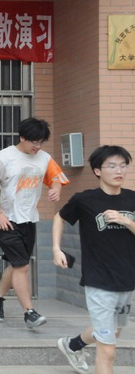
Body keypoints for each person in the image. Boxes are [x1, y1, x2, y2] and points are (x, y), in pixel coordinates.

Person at [53, 145, 135, 374]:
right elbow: (59, 217)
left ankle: (73, 345)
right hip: (99, 281)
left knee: (113, 330)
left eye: (123, 166)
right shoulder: (84, 200)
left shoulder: (132, 198)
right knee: (107, 350)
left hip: (127, 281)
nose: (119, 171)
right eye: (112, 166)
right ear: (98, 171)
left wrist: (126, 221)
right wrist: (56, 249)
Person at [0, 117, 68, 329]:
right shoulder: (4, 157)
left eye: (41, 142)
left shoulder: (44, 158)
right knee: (22, 265)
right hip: (5, 219)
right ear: (22, 137)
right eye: (34, 142)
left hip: (29, 217)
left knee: (18, 263)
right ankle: (29, 312)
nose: (37, 146)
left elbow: (56, 178)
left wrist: (56, 189)